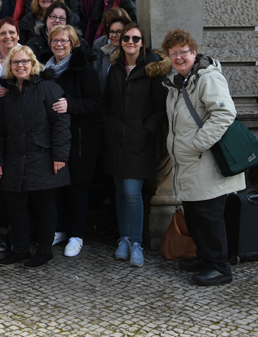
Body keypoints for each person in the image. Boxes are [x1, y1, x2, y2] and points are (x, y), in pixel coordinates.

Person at [162, 29, 243, 286]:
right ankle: (206, 258)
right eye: (173, 53)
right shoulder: (179, 83)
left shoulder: (208, 79)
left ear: (194, 53)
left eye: (183, 52)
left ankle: (220, 268)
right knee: (196, 216)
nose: (178, 57)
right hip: (190, 164)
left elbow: (224, 114)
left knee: (209, 218)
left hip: (206, 162)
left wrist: (199, 144)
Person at [0, 44, 70, 268]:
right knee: (15, 207)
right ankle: (20, 250)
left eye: (25, 61)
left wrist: (60, 156)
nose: (21, 65)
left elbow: (61, 124)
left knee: (44, 205)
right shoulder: (6, 96)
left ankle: (44, 251)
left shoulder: (49, 88)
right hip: (14, 159)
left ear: (33, 64)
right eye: (16, 62)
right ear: (10, 66)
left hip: (43, 157)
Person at [103, 23, 169, 268]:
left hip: (139, 142)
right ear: (120, 42)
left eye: (135, 38)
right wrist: (108, 126)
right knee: (120, 193)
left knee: (132, 192)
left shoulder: (152, 70)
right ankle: (124, 239)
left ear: (142, 43)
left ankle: (137, 242)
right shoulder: (115, 69)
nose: (130, 41)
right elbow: (106, 102)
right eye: (126, 38)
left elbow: (161, 109)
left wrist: (145, 130)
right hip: (115, 141)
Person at [41, 25, 102, 258]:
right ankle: (59, 229)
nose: (59, 44)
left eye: (64, 41)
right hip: (52, 137)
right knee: (55, 185)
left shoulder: (84, 69)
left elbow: (96, 103)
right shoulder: (44, 69)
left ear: (73, 43)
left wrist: (71, 105)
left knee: (77, 187)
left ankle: (76, 234)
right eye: (55, 40)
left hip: (79, 139)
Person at [92, 7, 130, 93]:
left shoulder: (132, 49)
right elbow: (97, 74)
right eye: (112, 30)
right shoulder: (100, 45)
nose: (114, 35)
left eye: (119, 31)